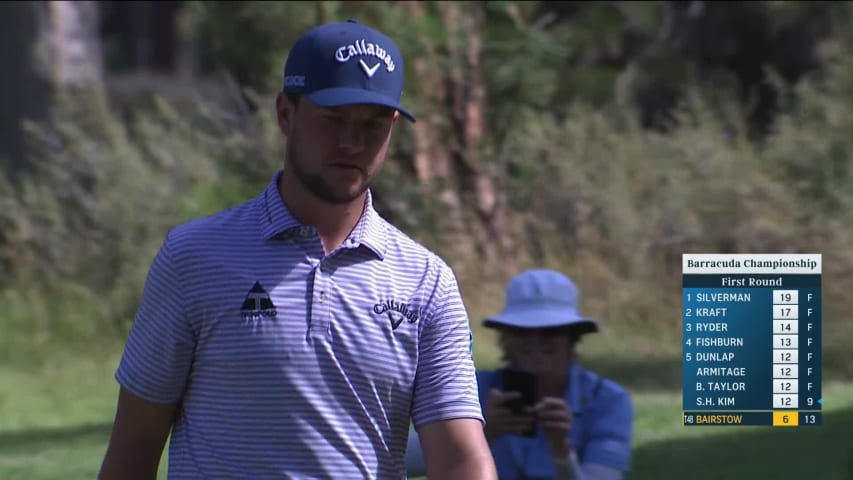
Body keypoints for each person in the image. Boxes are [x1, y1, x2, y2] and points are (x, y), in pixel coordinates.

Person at [98, 19, 496, 480]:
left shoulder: (426, 282)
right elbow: (135, 444)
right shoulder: (194, 258)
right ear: (286, 114)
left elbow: (460, 456)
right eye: (333, 120)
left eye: (371, 125)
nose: (352, 142)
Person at [406, 269, 634, 479]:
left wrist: (561, 450)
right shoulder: (473, 388)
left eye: (550, 331)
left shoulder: (607, 401)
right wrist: (483, 433)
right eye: (522, 331)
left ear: (572, 336)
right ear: (507, 337)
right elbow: (405, 460)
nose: (536, 341)